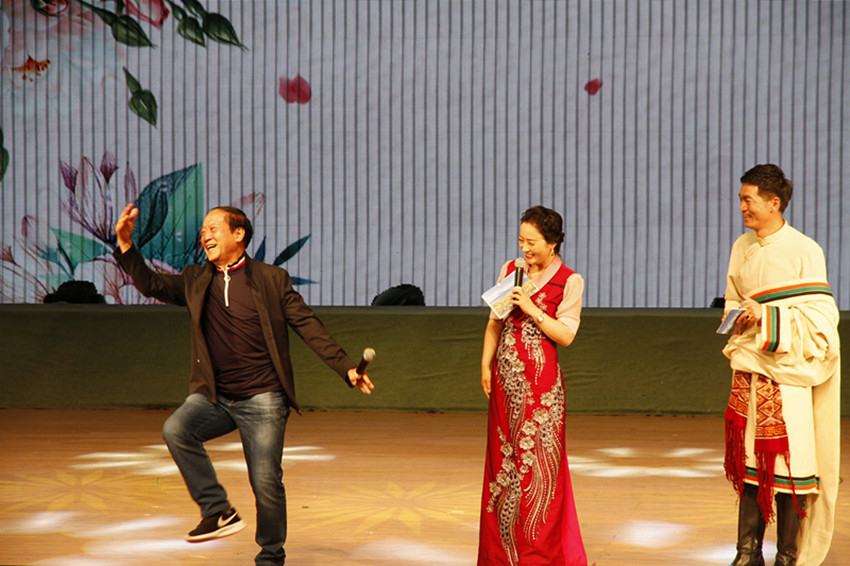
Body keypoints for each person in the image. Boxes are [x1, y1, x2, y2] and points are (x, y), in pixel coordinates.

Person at [113, 203, 374, 566]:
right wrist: (126, 244)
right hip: (216, 397)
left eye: (213, 229)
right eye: (202, 231)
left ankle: (270, 556)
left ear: (239, 234)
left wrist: (345, 367)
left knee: (266, 480)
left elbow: (307, 324)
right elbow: (150, 283)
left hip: (264, 397)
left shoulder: (271, 279)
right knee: (176, 429)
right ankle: (217, 510)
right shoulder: (195, 279)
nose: (204, 235)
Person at [721, 164, 840, 566]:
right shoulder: (742, 246)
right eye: (741, 199)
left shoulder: (805, 250)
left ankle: (787, 556)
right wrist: (738, 316)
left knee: (792, 466)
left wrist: (768, 316)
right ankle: (747, 552)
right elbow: (734, 297)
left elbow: (822, 319)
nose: (742, 207)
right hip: (750, 369)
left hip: (788, 373)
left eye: (748, 200)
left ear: (774, 203)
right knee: (750, 464)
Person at [477, 205, 587, 566]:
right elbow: (495, 321)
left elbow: (566, 335)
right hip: (506, 386)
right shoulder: (512, 270)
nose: (524, 248)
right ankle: (501, 555)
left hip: (542, 392)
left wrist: (532, 308)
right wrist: (485, 363)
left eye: (532, 242)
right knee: (503, 468)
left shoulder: (569, 280)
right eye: (521, 240)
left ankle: (539, 556)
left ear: (552, 243)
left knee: (540, 469)